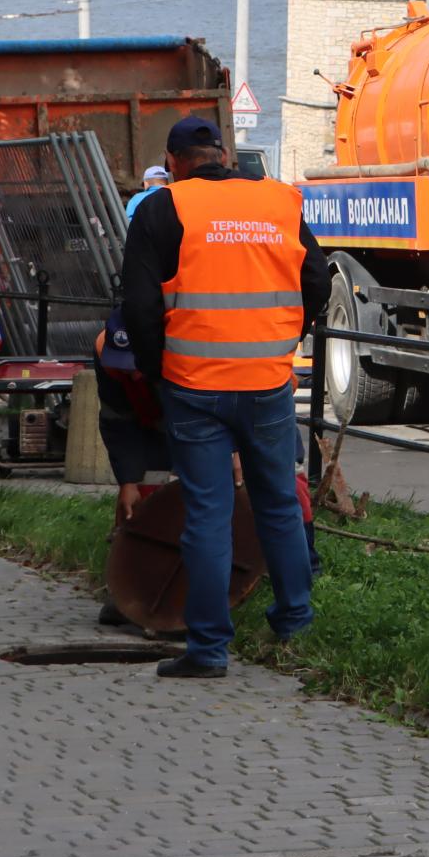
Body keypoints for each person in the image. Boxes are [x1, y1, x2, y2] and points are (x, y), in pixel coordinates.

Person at [120, 116, 327, 679]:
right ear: (224, 154)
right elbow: (317, 280)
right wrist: (284, 338)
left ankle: (209, 648)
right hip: (267, 381)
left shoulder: (163, 208)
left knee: (208, 515)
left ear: (173, 162)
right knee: (278, 503)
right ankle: (295, 622)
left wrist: (156, 371)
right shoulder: (280, 201)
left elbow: (138, 305)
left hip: (193, 385)